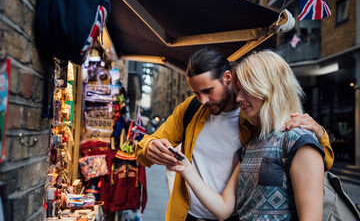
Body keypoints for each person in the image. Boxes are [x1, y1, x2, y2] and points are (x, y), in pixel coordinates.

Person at [135, 48, 333, 221]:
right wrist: (151, 147)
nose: (202, 100)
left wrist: (320, 134)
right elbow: (145, 143)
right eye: (196, 93)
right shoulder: (192, 110)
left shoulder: (259, 121)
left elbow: (313, 162)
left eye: (208, 91)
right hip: (187, 216)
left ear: (227, 78)